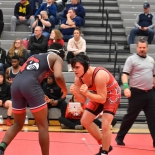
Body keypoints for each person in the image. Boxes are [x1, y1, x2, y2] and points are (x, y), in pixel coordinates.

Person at [0, 42, 68, 155]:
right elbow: (58, 76)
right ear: (61, 54)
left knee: (17, 124)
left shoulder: (34, 56)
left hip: (16, 84)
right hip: (30, 85)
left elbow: (31, 75)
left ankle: (1, 147)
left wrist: (39, 93)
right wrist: (65, 90)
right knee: (43, 126)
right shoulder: (57, 58)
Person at [70, 54, 121, 155]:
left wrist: (87, 93)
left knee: (106, 124)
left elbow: (102, 99)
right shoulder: (78, 79)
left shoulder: (99, 75)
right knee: (85, 121)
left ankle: (104, 152)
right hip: (99, 94)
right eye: (73, 67)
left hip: (112, 95)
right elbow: (83, 100)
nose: (74, 70)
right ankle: (104, 145)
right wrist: (76, 93)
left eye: (77, 67)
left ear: (85, 66)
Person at [115, 37, 155, 148]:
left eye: (144, 47)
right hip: (136, 93)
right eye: (140, 47)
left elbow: (153, 76)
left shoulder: (151, 60)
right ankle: (120, 136)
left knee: (153, 118)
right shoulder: (131, 59)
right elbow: (125, 74)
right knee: (130, 117)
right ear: (137, 48)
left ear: (147, 48)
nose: (142, 49)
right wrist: (126, 87)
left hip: (150, 93)